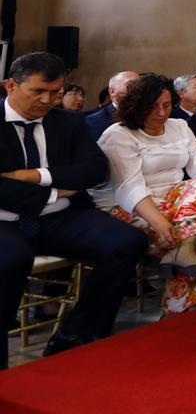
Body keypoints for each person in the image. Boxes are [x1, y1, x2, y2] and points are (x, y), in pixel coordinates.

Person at [0, 53, 147, 368]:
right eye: (38, 91)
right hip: (5, 222)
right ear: (10, 85)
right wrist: (59, 189)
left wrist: (40, 177)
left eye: (55, 92)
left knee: (127, 242)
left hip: (61, 218)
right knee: (11, 260)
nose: (47, 100)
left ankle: (76, 338)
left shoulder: (68, 121)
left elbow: (95, 169)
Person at [93, 74, 196, 313]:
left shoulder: (179, 126)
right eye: (152, 106)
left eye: (166, 105)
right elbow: (128, 186)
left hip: (173, 198)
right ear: (136, 106)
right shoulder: (119, 134)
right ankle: (178, 308)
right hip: (126, 204)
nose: (161, 113)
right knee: (185, 228)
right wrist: (159, 223)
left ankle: (183, 249)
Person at [84, 71, 138, 141]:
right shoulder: (96, 120)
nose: (138, 89)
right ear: (112, 91)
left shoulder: (149, 115)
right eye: (131, 85)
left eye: (140, 85)